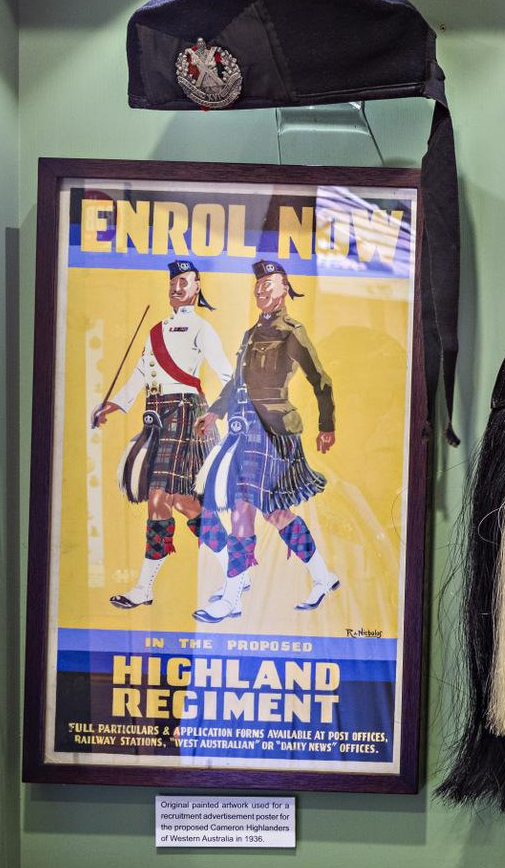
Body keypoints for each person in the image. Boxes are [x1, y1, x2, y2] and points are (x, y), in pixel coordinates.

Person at [194, 259, 337, 622]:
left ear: (285, 287)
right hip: (244, 429)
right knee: (256, 510)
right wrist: (215, 411)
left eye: (268, 286)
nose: (261, 292)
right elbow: (236, 384)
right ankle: (310, 578)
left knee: (260, 511)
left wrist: (326, 425)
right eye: (258, 287)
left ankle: (239, 594)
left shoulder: (292, 332)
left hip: (274, 432)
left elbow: (321, 380)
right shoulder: (249, 334)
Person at [93, 260, 233, 609]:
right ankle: (235, 567)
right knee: (183, 503)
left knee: (157, 499)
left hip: (186, 415)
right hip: (156, 415)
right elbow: (143, 370)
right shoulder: (156, 330)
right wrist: (115, 404)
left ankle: (143, 587)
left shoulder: (202, 329)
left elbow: (229, 376)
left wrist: (216, 412)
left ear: (197, 287)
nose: (177, 287)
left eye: (184, 282)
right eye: (173, 282)